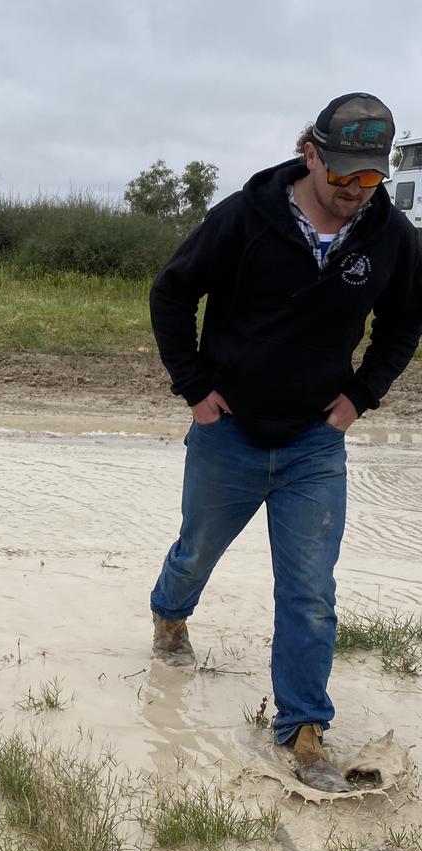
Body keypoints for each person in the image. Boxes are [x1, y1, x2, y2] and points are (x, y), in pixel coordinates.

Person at [148, 92, 422, 792]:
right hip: (229, 434)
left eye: (372, 179)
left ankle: (303, 730)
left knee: (309, 593)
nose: (358, 193)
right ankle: (170, 616)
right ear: (312, 154)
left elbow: (402, 326)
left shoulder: (391, 238)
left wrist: (361, 397)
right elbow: (172, 293)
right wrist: (194, 388)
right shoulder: (245, 218)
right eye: (345, 178)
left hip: (313, 448)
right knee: (196, 553)